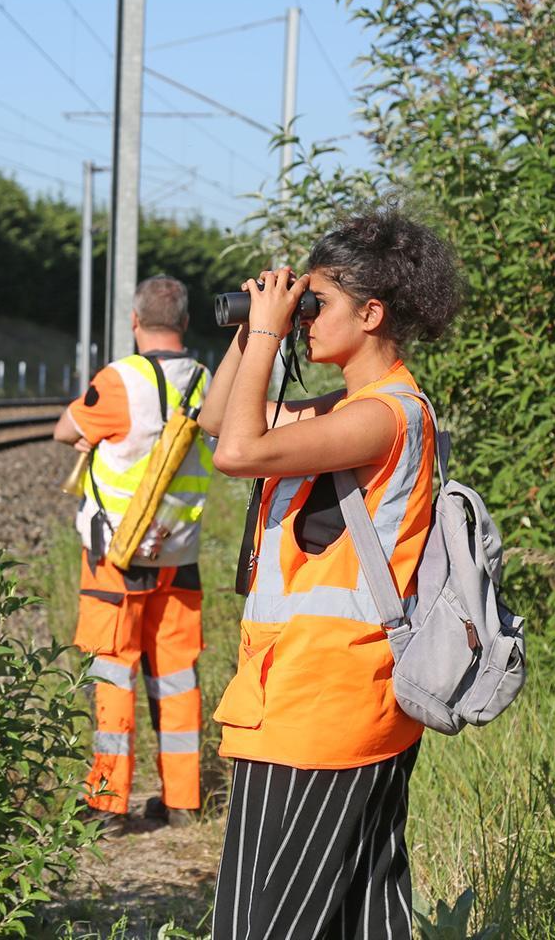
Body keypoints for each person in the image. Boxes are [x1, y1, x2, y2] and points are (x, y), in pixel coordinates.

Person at [197, 207, 463, 939]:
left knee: (263, 925)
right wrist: (252, 330)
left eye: (319, 305)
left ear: (372, 312)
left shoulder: (386, 416)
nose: (305, 319)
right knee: (361, 920)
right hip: (335, 705)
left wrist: (269, 333)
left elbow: (238, 455)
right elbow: (222, 424)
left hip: (317, 713)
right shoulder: (350, 407)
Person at [53, 276, 214, 835]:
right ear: (186, 323)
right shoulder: (205, 381)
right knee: (175, 674)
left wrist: (91, 439)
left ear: (134, 320)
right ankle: (184, 800)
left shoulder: (118, 379)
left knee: (112, 671)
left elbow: (63, 429)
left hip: (114, 559)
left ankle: (106, 804)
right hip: (179, 555)